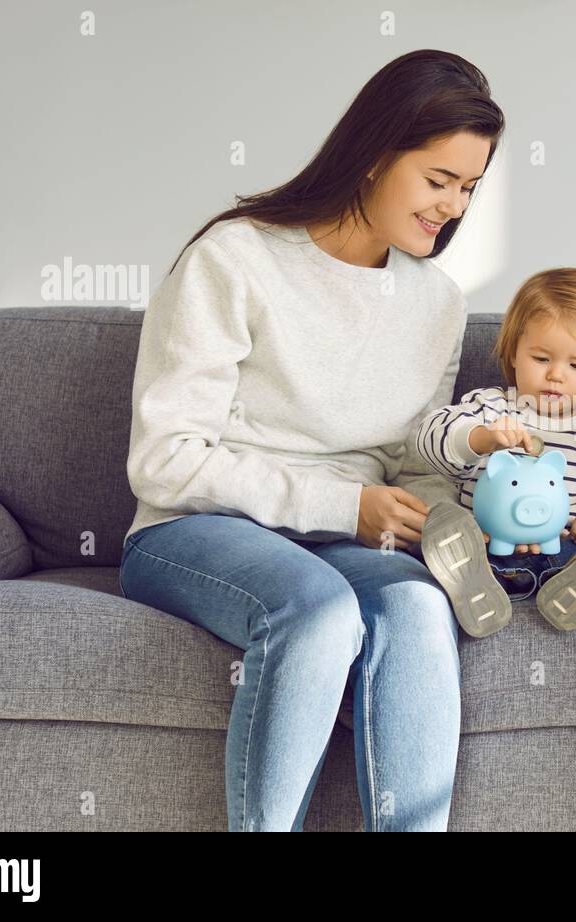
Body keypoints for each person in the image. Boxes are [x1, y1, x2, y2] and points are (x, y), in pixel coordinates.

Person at [117, 49, 504, 831]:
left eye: (469, 188)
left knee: (417, 609)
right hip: (196, 529)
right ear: (373, 155)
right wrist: (343, 504)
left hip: (344, 530)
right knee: (319, 611)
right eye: (438, 181)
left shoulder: (436, 302)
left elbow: (407, 459)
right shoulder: (236, 259)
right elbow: (163, 458)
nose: (452, 207)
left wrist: (445, 505)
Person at [414, 268, 576, 637]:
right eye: (541, 358)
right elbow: (427, 438)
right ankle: (475, 587)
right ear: (514, 352)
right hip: (494, 550)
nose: (556, 375)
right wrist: (481, 439)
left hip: (571, 553)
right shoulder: (489, 408)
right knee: (472, 548)